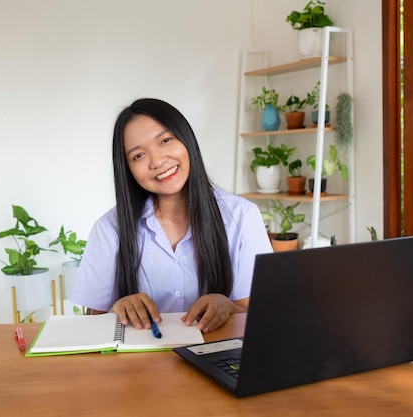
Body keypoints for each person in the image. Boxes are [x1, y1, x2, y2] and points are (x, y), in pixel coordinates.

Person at [71, 98, 272, 333]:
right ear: (127, 169)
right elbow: (92, 327)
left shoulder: (242, 216)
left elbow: (262, 315)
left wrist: (227, 306)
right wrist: (117, 310)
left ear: (186, 139)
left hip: (218, 359)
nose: (157, 161)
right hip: (136, 367)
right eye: (138, 155)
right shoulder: (109, 229)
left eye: (165, 140)